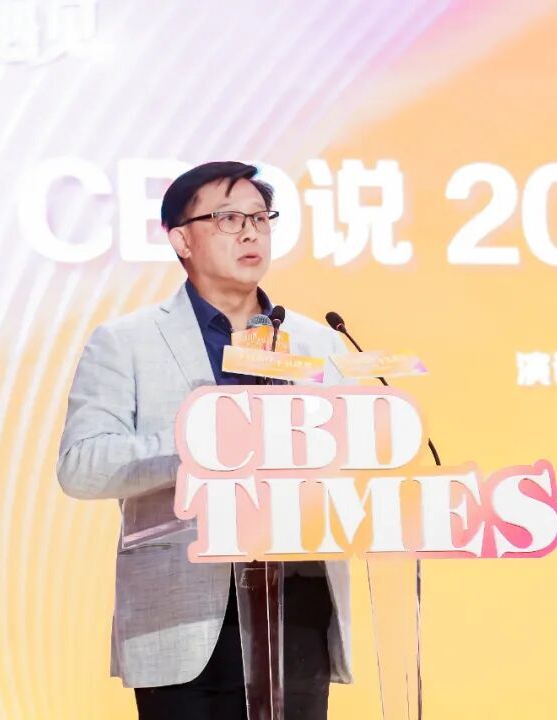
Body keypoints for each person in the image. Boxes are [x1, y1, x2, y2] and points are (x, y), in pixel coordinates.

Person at [56, 161, 352, 720]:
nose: (250, 232)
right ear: (181, 239)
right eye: (228, 219)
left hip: (298, 599)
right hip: (185, 609)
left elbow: (348, 454)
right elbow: (81, 465)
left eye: (260, 218)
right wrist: (201, 444)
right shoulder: (127, 341)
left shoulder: (320, 342)